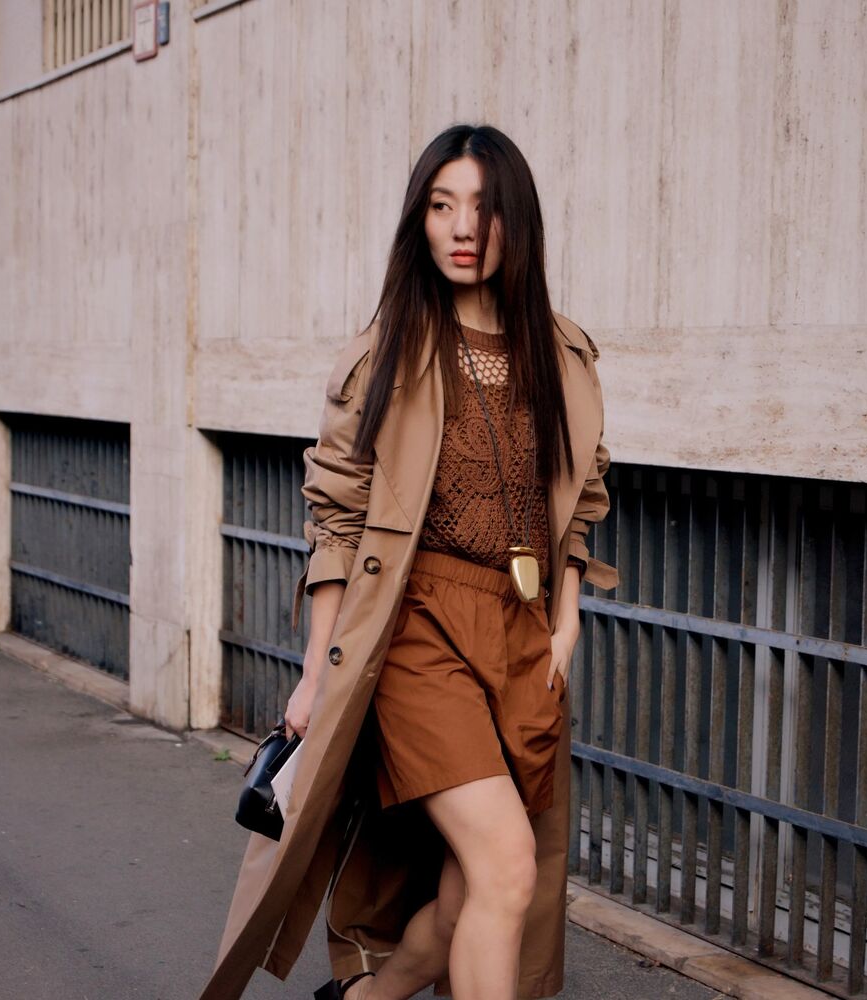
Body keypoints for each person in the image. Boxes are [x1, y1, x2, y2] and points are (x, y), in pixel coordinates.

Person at [198, 123, 617, 1000]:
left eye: (483, 206)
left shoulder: (563, 353)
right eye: (442, 205)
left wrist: (566, 620)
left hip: (523, 634)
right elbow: (340, 517)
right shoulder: (389, 350)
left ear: (517, 221)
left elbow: (580, 499)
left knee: (474, 890)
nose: (463, 227)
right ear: (419, 222)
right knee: (506, 865)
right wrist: (317, 670)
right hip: (417, 626)